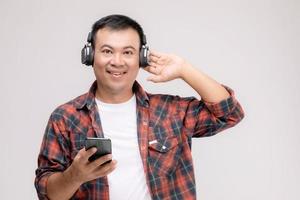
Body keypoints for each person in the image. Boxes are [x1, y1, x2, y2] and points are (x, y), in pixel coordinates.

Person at [35, 14, 244, 200]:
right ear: (90, 56)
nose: (117, 61)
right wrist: (75, 175)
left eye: (128, 52)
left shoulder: (170, 111)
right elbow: (48, 194)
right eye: (107, 51)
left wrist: (183, 69)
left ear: (141, 58)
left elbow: (230, 114)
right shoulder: (65, 118)